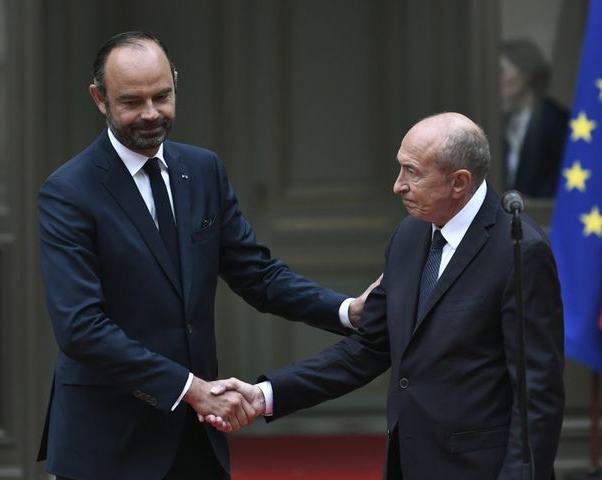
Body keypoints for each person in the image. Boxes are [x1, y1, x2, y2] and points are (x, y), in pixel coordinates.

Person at [36, 30, 376, 480]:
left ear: (176, 82)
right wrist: (191, 389)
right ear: (99, 99)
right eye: (132, 102)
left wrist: (349, 310)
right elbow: (81, 328)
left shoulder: (203, 170)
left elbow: (257, 274)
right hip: (107, 444)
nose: (151, 113)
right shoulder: (68, 192)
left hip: (196, 440)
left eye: (162, 95)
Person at [210, 112, 565, 479]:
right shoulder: (409, 236)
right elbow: (369, 349)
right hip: (407, 464)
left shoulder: (519, 250)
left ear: (459, 182)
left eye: (412, 172)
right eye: (400, 168)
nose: (398, 185)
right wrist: (265, 395)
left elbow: (537, 394)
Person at [500, 38, 569, 198]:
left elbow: (560, 173)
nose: (499, 80)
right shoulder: (505, 122)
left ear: (525, 73)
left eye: (502, 71)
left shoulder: (553, 119)